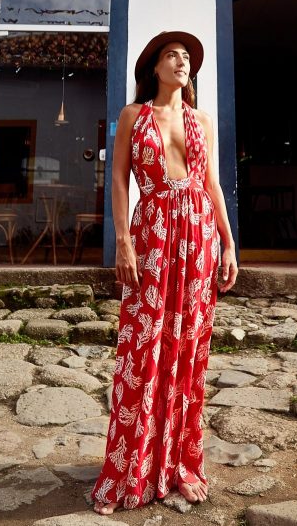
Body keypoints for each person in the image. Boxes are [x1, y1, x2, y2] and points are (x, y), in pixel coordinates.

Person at [91, 30, 238, 515]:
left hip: (197, 235)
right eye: (172, 55)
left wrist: (229, 242)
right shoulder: (134, 116)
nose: (182, 62)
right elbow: (117, 179)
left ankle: (177, 464)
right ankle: (131, 469)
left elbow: (212, 184)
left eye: (186, 57)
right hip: (152, 230)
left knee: (188, 346)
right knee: (144, 343)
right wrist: (123, 241)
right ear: (154, 68)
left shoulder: (202, 122)